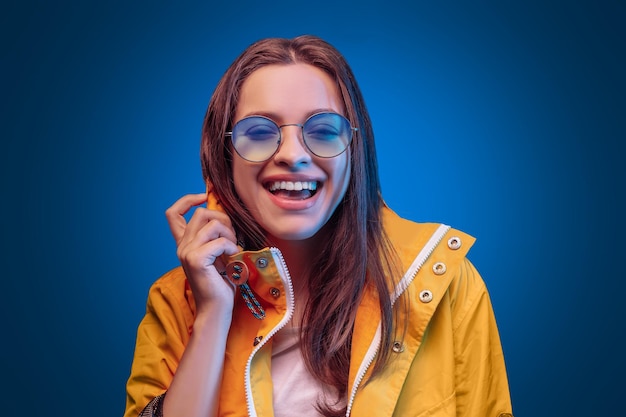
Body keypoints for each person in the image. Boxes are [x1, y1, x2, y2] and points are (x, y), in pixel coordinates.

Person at [123, 35, 514, 417]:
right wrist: (213, 315)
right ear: (223, 160)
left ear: (353, 152)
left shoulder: (445, 284)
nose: (293, 155)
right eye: (259, 133)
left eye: (324, 131)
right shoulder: (177, 302)